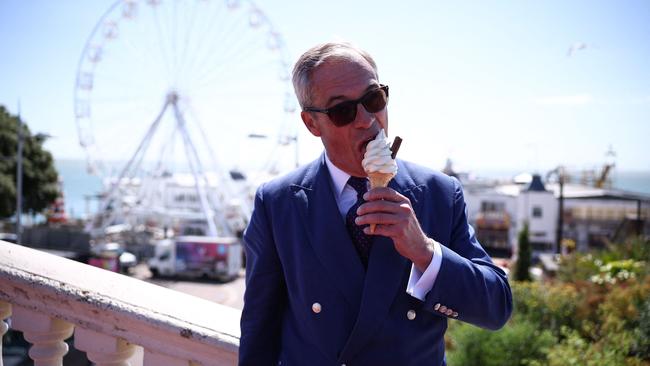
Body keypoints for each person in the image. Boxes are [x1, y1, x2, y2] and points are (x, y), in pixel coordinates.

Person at [239, 42, 512, 366]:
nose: (367, 120)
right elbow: (259, 329)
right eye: (343, 110)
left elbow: (496, 307)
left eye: (373, 99)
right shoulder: (279, 203)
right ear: (312, 124)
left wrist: (424, 251)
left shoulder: (439, 193)